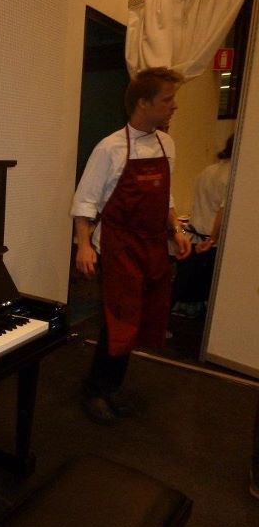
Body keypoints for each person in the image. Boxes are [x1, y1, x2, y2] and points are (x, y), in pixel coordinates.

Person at [71, 67, 192, 425]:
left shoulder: (166, 144)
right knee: (118, 320)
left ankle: (111, 386)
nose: (174, 107)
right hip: (119, 246)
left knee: (139, 320)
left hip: (152, 246)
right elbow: (85, 202)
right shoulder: (109, 148)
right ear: (143, 103)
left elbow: (166, 197)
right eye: (167, 100)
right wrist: (84, 246)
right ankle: (95, 389)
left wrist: (176, 230)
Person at [172, 135, 233, 318]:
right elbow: (222, 211)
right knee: (200, 298)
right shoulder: (232, 176)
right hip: (209, 242)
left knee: (185, 293)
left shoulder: (208, 170)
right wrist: (213, 238)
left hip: (194, 235)